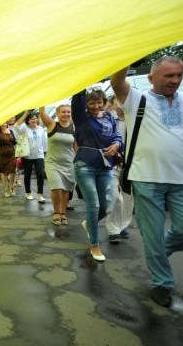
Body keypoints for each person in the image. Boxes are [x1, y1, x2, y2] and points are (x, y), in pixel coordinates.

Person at [111, 56, 183, 307]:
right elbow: (117, 81)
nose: (175, 80)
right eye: (168, 76)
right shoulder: (137, 99)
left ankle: (159, 253)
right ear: (151, 78)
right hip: (146, 179)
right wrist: (128, 51)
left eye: (178, 75)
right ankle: (162, 283)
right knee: (152, 236)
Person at [71, 87, 123, 262]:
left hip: (105, 166)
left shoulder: (109, 117)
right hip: (85, 164)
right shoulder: (81, 118)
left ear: (104, 102)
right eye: (91, 102)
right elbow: (77, 101)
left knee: (107, 207)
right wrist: (81, 86)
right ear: (86, 104)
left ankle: (89, 222)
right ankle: (95, 245)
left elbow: (117, 135)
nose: (95, 106)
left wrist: (116, 145)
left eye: (98, 102)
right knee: (92, 206)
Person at [39, 105, 76, 226]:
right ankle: (56, 212)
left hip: (69, 163)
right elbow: (42, 113)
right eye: (63, 112)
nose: (66, 114)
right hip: (52, 163)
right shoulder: (52, 125)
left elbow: (76, 147)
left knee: (65, 190)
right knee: (56, 188)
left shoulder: (74, 128)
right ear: (58, 113)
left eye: (68, 112)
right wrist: (42, 102)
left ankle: (63, 212)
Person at [104, 96, 133, 243]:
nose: (121, 105)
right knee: (115, 196)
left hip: (132, 165)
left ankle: (122, 226)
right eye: (118, 103)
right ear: (113, 105)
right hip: (113, 163)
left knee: (128, 198)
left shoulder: (135, 119)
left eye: (124, 102)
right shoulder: (108, 120)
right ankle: (113, 229)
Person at [14, 111, 48, 202]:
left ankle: (40, 194)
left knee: (40, 174)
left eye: (36, 118)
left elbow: (44, 141)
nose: (34, 120)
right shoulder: (24, 129)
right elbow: (16, 126)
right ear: (28, 120)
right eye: (32, 118)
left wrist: (45, 152)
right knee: (27, 174)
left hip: (39, 155)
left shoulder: (41, 128)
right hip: (27, 156)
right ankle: (28, 193)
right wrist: (25, 114)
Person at [0, 121, 17, 197]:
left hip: (11, 153)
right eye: (1, 123)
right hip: (2, 154)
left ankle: (12, 187)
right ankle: (6, 189)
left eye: (5, 123)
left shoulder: (10, 131)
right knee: (3, 172)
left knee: (13, 171)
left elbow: (14, 142)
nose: (3, 124)